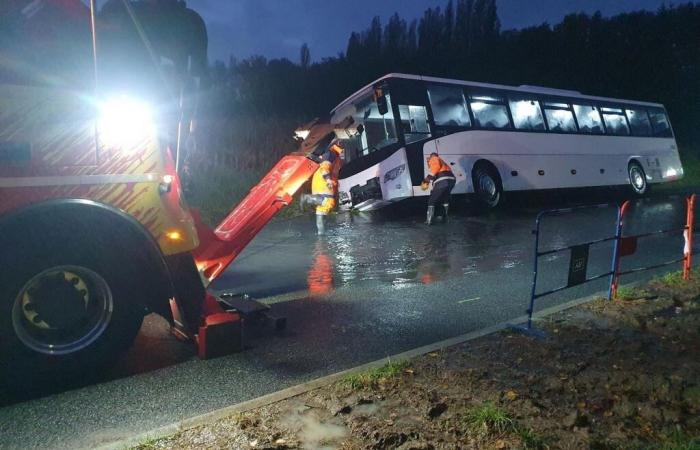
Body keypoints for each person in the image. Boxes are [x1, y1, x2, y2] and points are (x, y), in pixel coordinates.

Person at [300, 140, 344, 235]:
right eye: (341, 142)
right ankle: (307, 198)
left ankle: (321, 235)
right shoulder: (331, 154)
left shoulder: (333, 154)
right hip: (324, 184)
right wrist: (328, 179)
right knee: (327, 203)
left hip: (324, 185)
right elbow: (325, 168)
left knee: (321, 212)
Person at [421, 152, 456, 225]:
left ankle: (428, 221)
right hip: (451, 180)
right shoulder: (443, 163)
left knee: (431, 201)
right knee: (445, 199)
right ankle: (445, 218)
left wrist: (426, 180)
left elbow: (435, 168)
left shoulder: (434, 158)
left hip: (442, 180)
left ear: (431, 156)